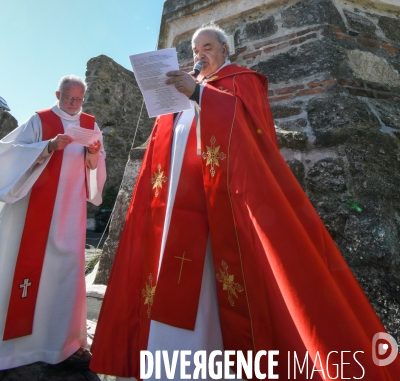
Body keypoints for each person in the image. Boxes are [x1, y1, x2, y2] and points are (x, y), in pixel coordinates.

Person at [91, 25, 400, 380]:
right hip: (175, 208)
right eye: (194, 50)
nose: (199, 55)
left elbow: (251, 134)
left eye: (207, 47)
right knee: (171, 282)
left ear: (225, 50)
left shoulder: (242, 81)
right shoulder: (185, 92)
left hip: (220, 207)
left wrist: (200, 95)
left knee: (212, 287)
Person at [0, 75, 106, 371]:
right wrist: (47, 146)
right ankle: (16, 348)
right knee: (27, 276)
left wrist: (94, 155)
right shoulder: (40, 120)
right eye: (69, 98)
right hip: (31, 214)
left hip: (69, 215)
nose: (74, 104)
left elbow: (95, 171)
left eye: (79, 99)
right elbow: (7, 153)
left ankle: (64, 343)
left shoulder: (90, 123)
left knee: (64, 274)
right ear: (58, 94)